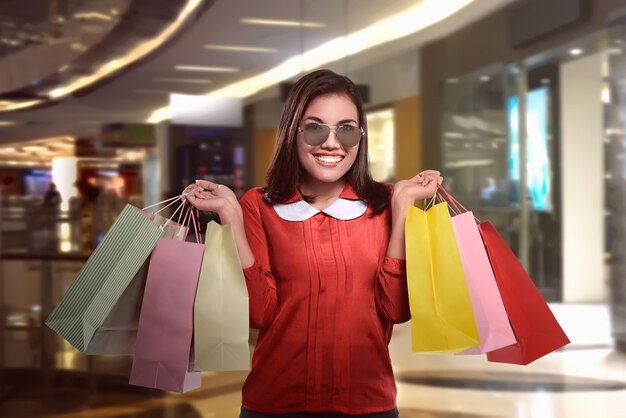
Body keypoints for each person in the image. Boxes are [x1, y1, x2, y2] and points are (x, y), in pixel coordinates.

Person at [183, 69, 442, 418]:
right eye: (316, 127)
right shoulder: (258, 206)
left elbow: (396, 311)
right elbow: (259, 313)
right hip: (274, 405)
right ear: (293, 132)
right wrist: (231, 216)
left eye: (347, 129)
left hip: (368, 405)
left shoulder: (386, 202)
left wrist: (401, 209)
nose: (332, 143)